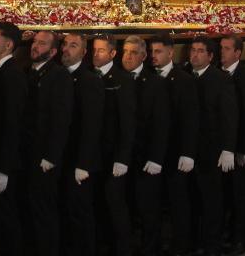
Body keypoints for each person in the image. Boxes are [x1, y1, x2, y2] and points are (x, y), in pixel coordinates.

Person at [22, 30, 71, 254]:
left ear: (52, 51)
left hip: (45, 156)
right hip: (29, 152)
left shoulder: (58, 75)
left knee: (44, 208)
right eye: (34, 42)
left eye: (41, 44)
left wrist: (51, 156)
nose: (35, 46)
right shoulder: (29, 72)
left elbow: (60, 120)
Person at [187, 36, 237, 256]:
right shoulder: (187, 76)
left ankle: (212, 245)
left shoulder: (220, 79)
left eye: (200, 51)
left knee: (212, 201)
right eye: (192, 50)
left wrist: (228, 148)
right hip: (190, 150)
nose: (195, 55)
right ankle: (197, 241)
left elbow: (229, 116)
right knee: (194, 199)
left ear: (210, 56)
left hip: (212, 149)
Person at [150, 33, 199, 255]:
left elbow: (190, 120)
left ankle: (183, 244)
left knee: (179, 203)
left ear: (171, 53)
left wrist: (188, 153)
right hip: (154, 153)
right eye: (151, 52)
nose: (154, 56)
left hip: (176, 151)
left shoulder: (184, 79)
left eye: (158, 51)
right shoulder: (149, 77)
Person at [120, 35, 167, 254]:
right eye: (125, 52)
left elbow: (161, 123)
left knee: (149, 208)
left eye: (133, 53)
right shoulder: (114, 79)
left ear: (143, 56)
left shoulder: (155, 82)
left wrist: (156, 157)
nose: (128, 57)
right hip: (120, 157)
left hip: (146, 156)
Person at [0, 22, 27, 254]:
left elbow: (13, 124)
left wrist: (4, 168)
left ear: (8, 44)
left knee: (6, 218)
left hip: (5, 161)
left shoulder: (13, 75)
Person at [90, 35, 135, 256]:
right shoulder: (90, 76)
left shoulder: (122, 79)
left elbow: (128, 123)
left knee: (116, 205)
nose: (95, 54)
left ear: (112, 54)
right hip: (95, 155)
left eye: (100, 50)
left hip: (114, 155)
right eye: (94, 50)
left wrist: (123, 158)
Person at [61, 32, 103, 256]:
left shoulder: (88, 80)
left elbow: (91, 126)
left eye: (73, 46)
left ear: (84, 52)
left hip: (80, 160)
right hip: (65, 157)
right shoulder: (60, 76)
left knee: (81, 213)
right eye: (65, 45)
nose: (66, 49)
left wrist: (83, 164)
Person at [219, 35, 245, 251]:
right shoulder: (219, 74)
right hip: (225, 145)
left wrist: (242, 149)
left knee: (241, 194)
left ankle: (242, 237)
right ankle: (230, 232)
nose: (221, 52)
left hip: (241, 147)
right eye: (221, 48)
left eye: (226, 49)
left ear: (237, 53)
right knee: (228, 194)